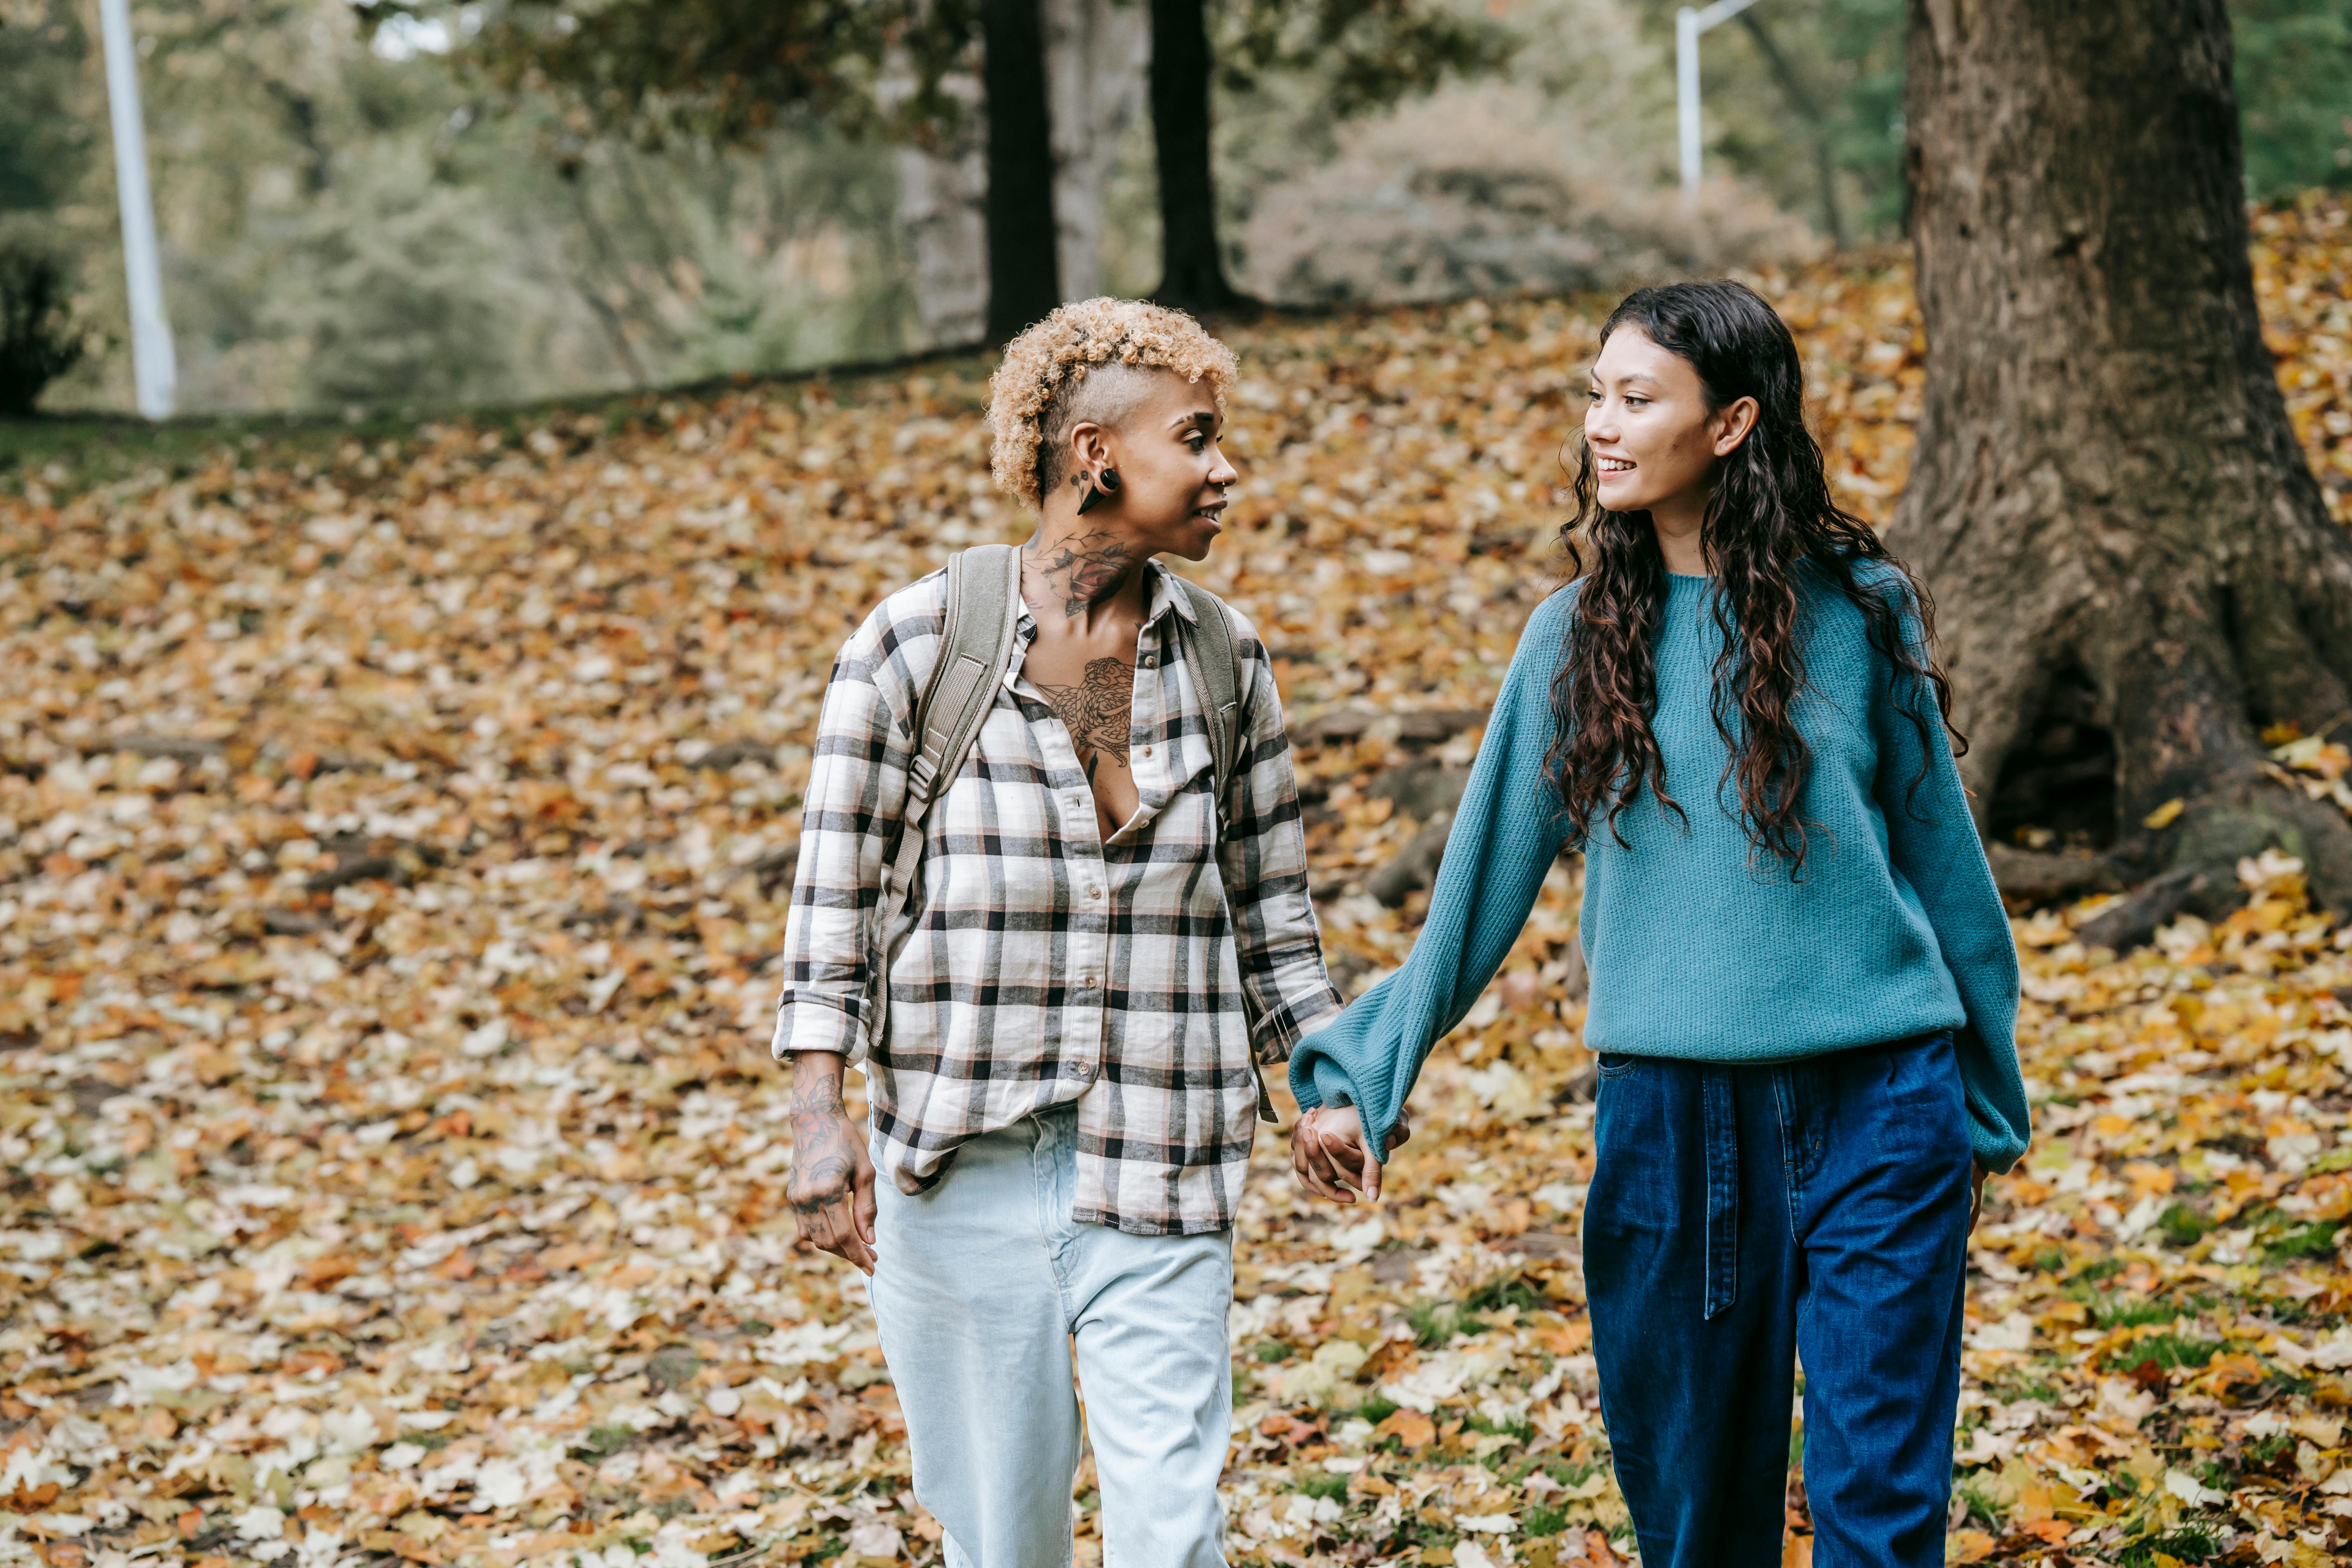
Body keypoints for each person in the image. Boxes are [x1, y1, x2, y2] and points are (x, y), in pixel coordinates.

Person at [1286, 280, 2031, 1567]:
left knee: (1884, 1517)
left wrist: (1985, 1096)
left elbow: (1943, 862)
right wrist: (1365, 1074)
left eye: (1637, 399)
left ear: (1733, 423)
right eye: (1596, 395)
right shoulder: (1572, 642)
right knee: (1694, 1527)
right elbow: (1477, 894)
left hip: (1881, 1105)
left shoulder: (1859, 610)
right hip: (1673, 1131)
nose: (1602, 425)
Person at [773, 297, 1344, 1568]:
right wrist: (821, 1119)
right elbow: (833, 907)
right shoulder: (919, 645)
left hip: (1164, 1151)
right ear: (1094, 456)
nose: (1224, 467)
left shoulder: (1223, 660)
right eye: (1194, 437)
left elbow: (1274, 911)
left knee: (1171, 1538)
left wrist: (1330, 1078)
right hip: (961, 1164)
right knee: (1004, 1545)